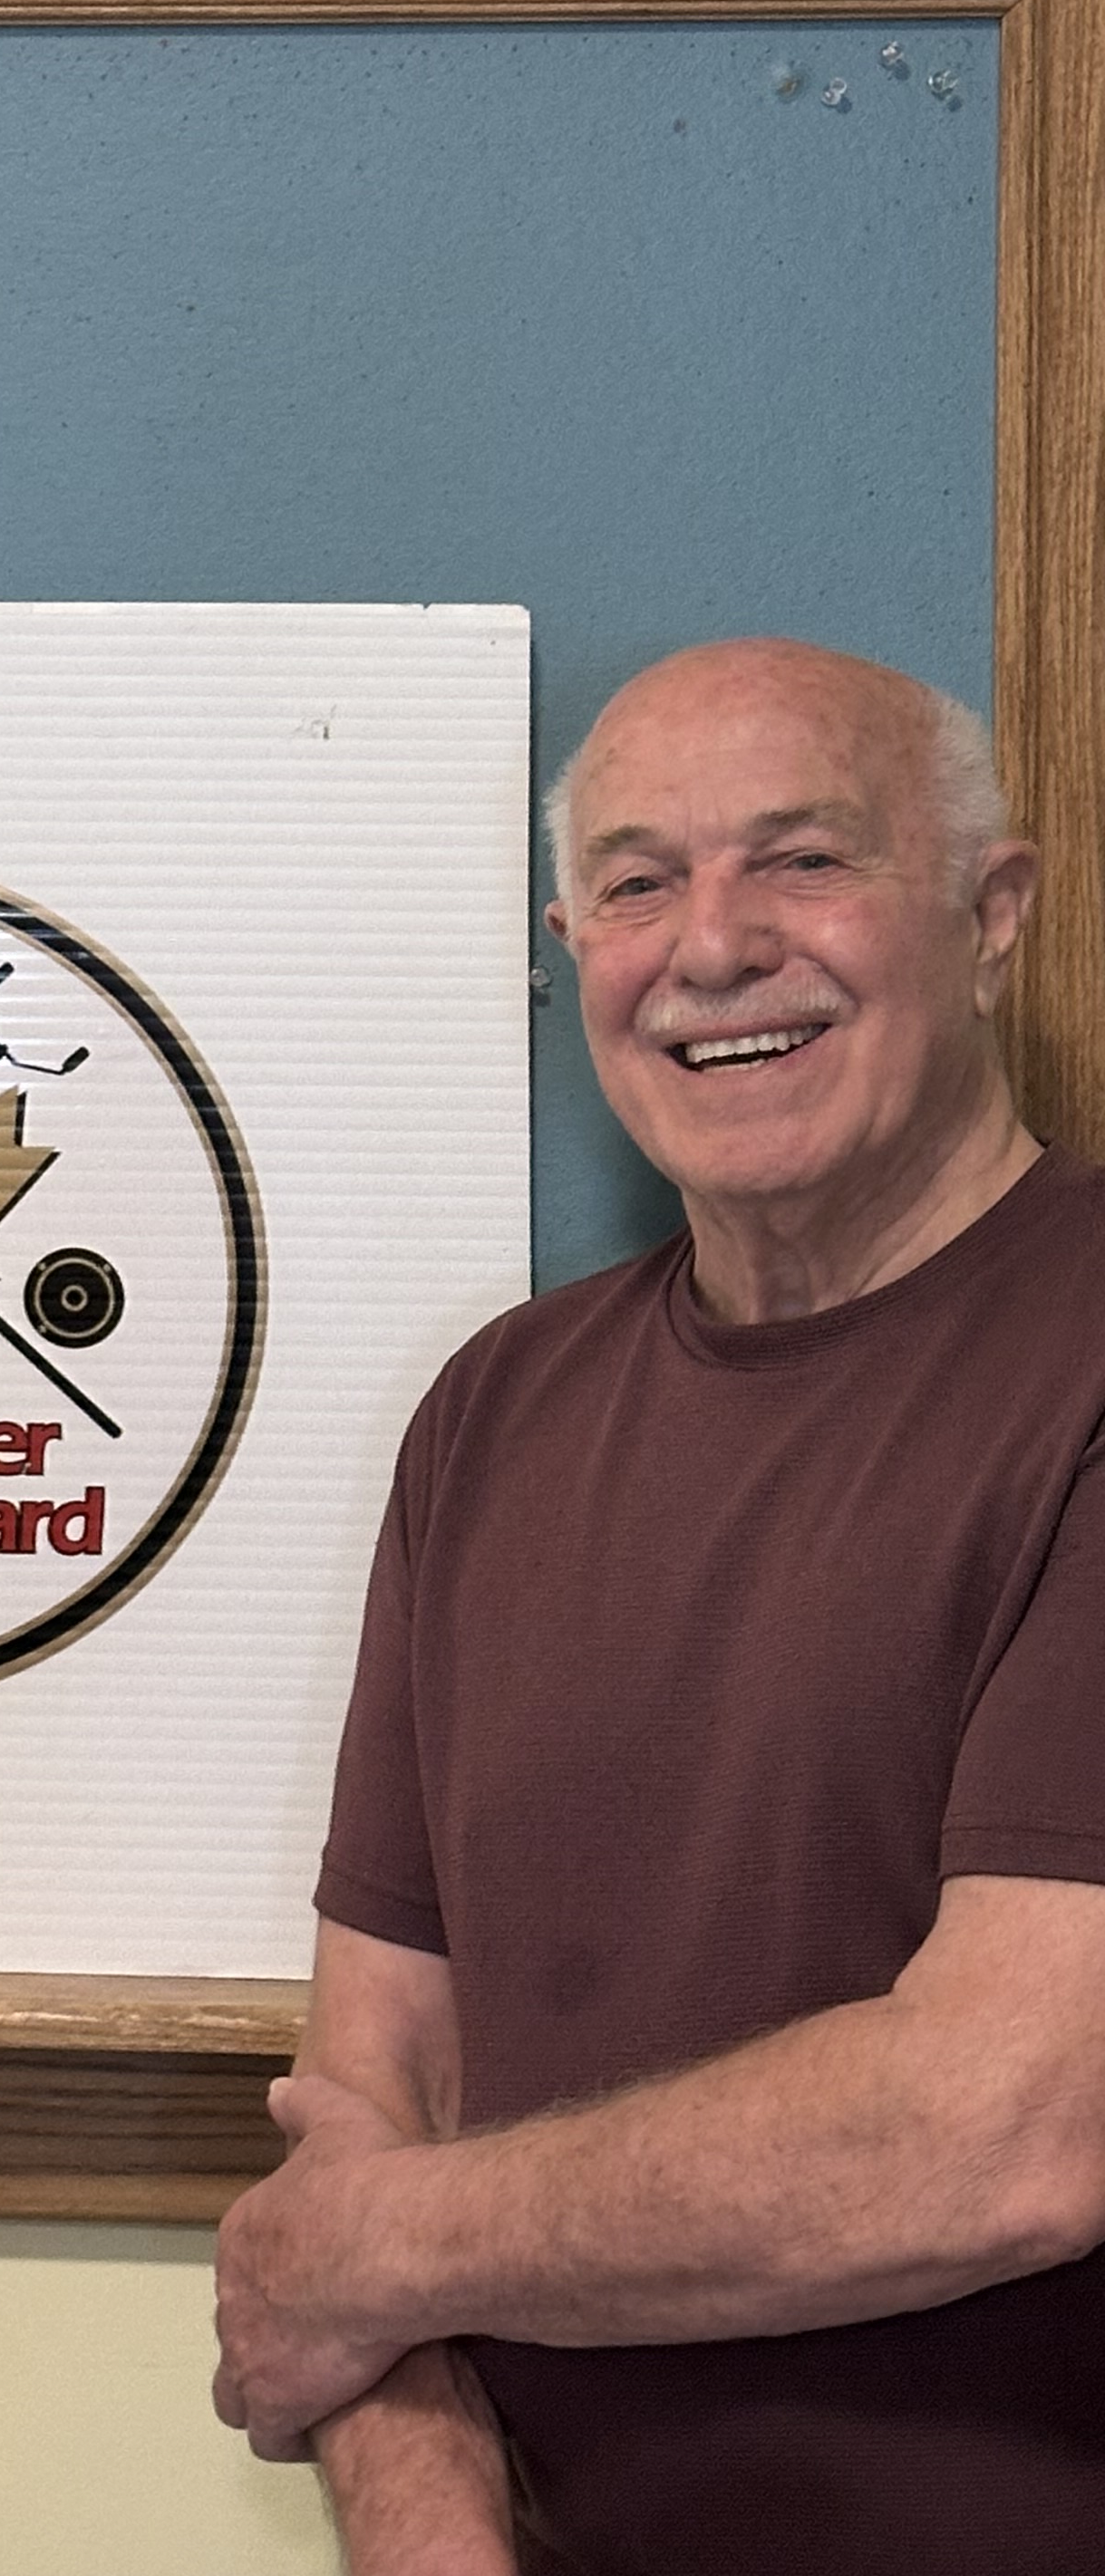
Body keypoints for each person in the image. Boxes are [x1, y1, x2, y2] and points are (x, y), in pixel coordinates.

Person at [213, 636, 1105, 2574]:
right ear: (573, 951)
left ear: (991, 915)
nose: (712, 948)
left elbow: (1013, 2124)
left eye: (804, 860)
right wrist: (440, 2547)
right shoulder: (493, 1419)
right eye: (637, 883)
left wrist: (376, 2247)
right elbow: (374, 2090)